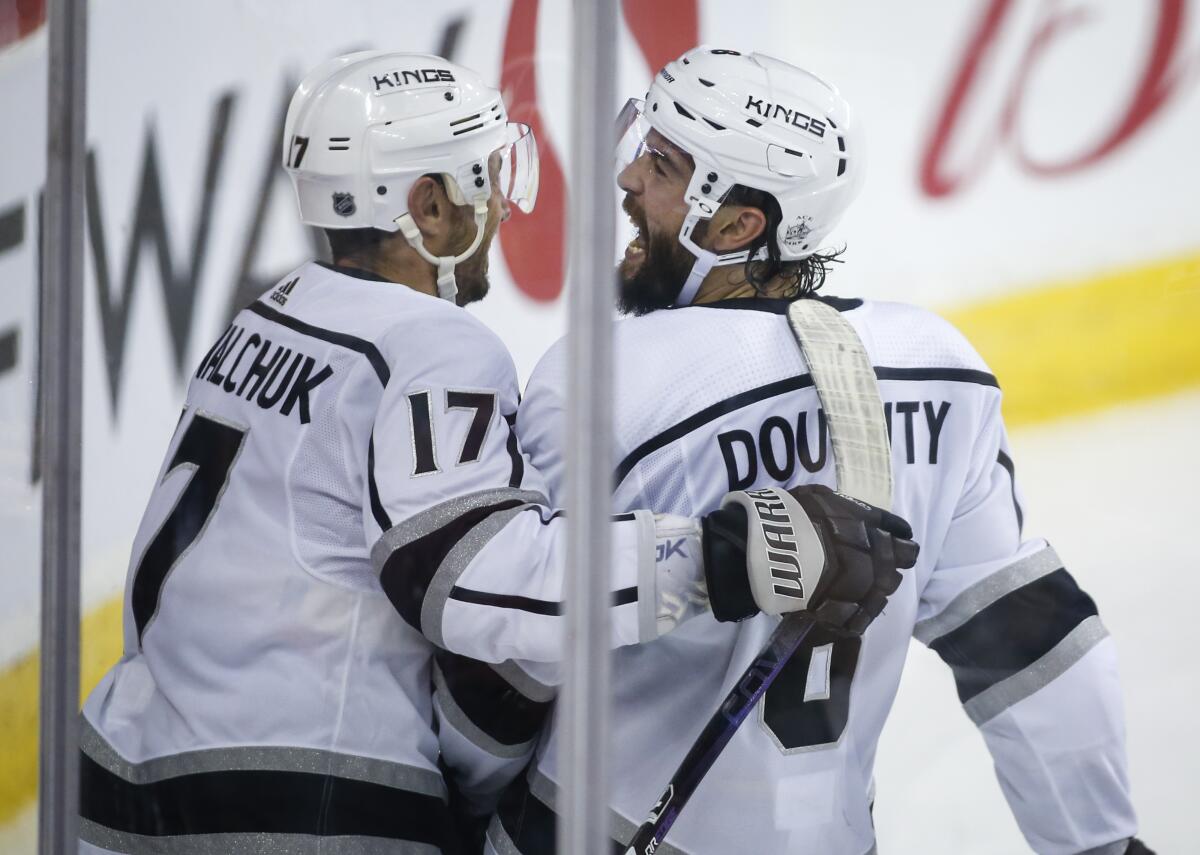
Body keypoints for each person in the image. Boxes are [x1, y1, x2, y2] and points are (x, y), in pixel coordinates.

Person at [77, 51, 916, 855]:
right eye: (490, 177)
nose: (507, 209)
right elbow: (469, 577)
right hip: (301, 798)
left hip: (116, 776)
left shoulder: (263, 318)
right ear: (430, 206)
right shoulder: (432, 341)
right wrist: (722, 555)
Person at [489, 47, 1154, 855]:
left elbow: (511, 654)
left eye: (660, 165)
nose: (628, 180)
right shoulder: (940, 372)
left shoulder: (605, 383)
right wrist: (1102, 842)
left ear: (737, 227)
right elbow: (1030, 643)